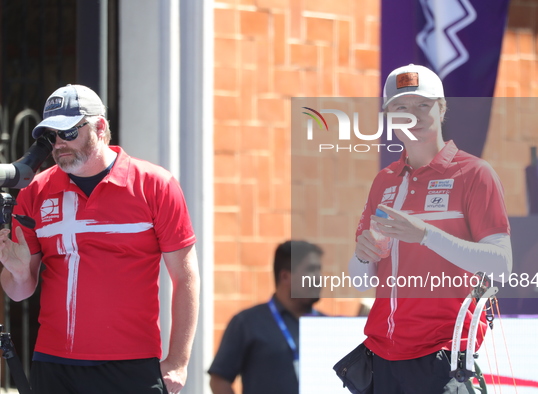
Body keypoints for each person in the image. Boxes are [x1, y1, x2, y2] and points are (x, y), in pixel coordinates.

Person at [0, 84, 200, 394]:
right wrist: (16, 270)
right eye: (52, 135)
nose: (59, 144)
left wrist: (178, 361)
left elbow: (185, 278)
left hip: (132, 366)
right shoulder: (35, 192)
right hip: (54, 366)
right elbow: (19, 292)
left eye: (69, 132)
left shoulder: (155, 185)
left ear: (101, 126)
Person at [349, 64, 512, 393]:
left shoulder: (474, 174)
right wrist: (363, 256)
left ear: (441, 108)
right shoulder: (384, 181)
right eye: (400, 107)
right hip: (382, 355)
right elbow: (358, 279)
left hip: (443, 356)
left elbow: (501, 265)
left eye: (422, 105)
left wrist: (425, 234)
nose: (412, 116)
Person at [208, 240, 323, 394]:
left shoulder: (327, 326)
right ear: (285, 277)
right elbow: (219, 380)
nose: (318, 278)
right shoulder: (247, 323)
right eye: (311, 270)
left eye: (319, 270)